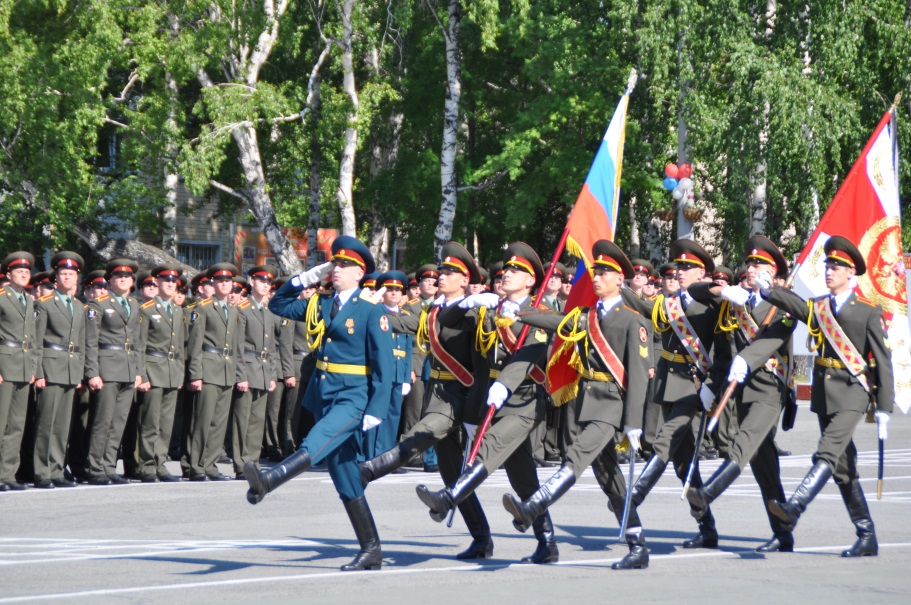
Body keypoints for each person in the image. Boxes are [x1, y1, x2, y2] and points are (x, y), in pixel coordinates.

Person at [247, 236, 394, 571]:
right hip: (325, 394)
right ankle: (371, 550)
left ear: (360, 273)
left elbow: (384, 366)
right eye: (335, 263)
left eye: (343, 265)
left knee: (317, 439)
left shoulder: (372, 311)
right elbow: (278, 305)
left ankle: (270, 480)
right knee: (345, 476)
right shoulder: (322, 303)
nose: (336, 269)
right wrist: (307, 277)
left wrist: (375, 410)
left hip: (353, 397)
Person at [502, 240, 652, 569]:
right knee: (610, 478)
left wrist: (634, 423)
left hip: (611, 405)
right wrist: (521, 313)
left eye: (603, 272)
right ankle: (638, 544)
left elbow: (639, 377)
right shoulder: (587, 316)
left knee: (575, 456)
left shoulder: (633, 322)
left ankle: (534, 506)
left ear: (619, 280)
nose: (596, 277)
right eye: (595, 271)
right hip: (587, 402)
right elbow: (558, 322)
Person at [415, 242, 559, 564]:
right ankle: (546, 542)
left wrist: (503, 386)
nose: (507, 274)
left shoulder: (540, 316)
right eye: (506, 269)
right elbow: (448, 319)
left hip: (521, 402)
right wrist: (469, 300)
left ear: (531, 281)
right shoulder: (491, 309)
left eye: (516, 270)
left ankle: (448, 498)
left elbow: (527, 357)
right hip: (493, 399)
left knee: (489, 446)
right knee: (523, 478)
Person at [358, 243, 495, 560]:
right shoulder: (428, 311)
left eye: (449, 273)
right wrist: (367, 306)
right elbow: (396, 322)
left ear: (464, 280)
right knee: (451, 476)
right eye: (441, 271)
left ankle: (367, 471)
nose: (440, 277)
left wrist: (477, 412)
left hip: (460, 398)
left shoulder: (476, 313)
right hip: (438, 393)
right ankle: (482, 538)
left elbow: (483, 365)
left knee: (420, 433)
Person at [759, 236, 893, 557]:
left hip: (853, 392)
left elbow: (882, 361)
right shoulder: (820, 306)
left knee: (827, 452)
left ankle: (794, 507)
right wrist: (769, 291)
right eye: (828, 265)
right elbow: (797, 307)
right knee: (843, 467)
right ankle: (866, 534)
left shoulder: (868, 311)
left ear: (851, 273)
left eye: (836, 267)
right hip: (824, 393)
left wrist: (884, 407)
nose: (829, 271)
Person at [685, 235, 794, 551]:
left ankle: (707, 493)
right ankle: (784, 533)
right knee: (764, 466)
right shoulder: (736, 300)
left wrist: (745, 359)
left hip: (769, 389)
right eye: (749, 262)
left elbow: (771, 341)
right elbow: (693, 292)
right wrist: (722, 290)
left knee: (744, 442)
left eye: (759, 263)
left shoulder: (784, 303)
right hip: (742, 390)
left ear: (773, 271)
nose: (751, 268)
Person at [621, 239, 732, 549]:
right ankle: (707, 528)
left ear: (703, 273)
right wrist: (618, 287)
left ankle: (632, 499)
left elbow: (724, 355)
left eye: (687, 268)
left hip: (694, 387)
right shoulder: (671, 301)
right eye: (678, 266)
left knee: (664, 440)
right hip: (670, 384)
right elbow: (644, 306)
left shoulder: (714, 305)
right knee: (684, 465)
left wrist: (712, 386)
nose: (680, 271)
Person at [84, 259, 143, 485]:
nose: (123, 280)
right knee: (103, 421)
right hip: (107, 366)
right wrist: (93, 372)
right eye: (118, 276)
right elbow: (91, 341)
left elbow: (137, 340)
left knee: (118, 422)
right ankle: (94, 466)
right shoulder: (99, 305)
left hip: (128, 367)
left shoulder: (134, 305)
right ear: (110, 280)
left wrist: (138, 370)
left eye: (127, 277)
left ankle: (109, 466)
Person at [33, 253, 86, 488]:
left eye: (71, 274)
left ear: (76, 279)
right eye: (63, 274)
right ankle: (41, 471)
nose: (67, 277)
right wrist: (39, 372)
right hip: (51, 365)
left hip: (70, 368)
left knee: (63, 425)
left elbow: (83, 341)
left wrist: (81, 373)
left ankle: (56, 469)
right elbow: (36, 340)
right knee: (46, 423)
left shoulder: (78, 306)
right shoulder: (44, 304)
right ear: (56, 279)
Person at [186, 263, 242, 482]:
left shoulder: (234, 310)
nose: (225, 284)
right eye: (220, 281)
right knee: (203, 420)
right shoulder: (204, 308)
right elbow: (195, 344)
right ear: (213, 284)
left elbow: (236, 346)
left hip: (227, 369)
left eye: (228, 281)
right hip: (209, 367)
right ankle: (196, 465)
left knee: (219, 422)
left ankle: (210, 464)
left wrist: (237, 373)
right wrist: (195, 374)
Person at [136, 264, 186, 483]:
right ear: (156, 283)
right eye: (166, 281)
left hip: (172, 371)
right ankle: (146, 465)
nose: (171, 284)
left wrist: (181, 374)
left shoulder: (177, 311)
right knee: (150, 421)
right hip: (153, 368)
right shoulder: (146, 309)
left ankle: (160, 462)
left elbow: (181, 347)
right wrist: (142, 375)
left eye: (174, 281)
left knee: (166, 423)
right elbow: (139, 345)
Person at [232, 265, 279, 479]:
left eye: (268, 283)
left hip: (262, 370)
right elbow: (238, 345)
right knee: (242, 419)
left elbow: (271, 348)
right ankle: (241, 463)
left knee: (257, 420)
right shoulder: (243, 309)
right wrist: (240, 375)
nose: (265, 285)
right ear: (252, 282)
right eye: (262, 281)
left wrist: (271, 375)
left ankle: (253, 461)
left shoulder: (268, 312)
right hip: (247, 369)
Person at [362, 271, 412, 458]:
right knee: (376, 411)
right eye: (389, 289)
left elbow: (407, 350)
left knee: (393, 415)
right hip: (380, 372)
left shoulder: (405, 316)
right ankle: (372, 455)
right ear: (382, 292)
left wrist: (406, 377)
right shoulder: (376, 313)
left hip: (398, 372)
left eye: (398, 290)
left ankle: (386, 456)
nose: (393, 293)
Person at [0, 253, 38, 492]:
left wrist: (32, 366)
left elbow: (32, 338)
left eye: (26, 272)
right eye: (19, 272)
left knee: (16, 425)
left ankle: (8, 473)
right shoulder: (2, 298)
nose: (23, 275)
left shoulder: (29, 300)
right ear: (8, 274)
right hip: (5, 363)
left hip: (23, 365)